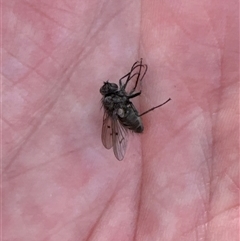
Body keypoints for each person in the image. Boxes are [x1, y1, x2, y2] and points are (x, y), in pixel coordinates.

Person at [3, 0, 239, 240]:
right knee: (130, 105)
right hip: (128, 116)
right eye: (110, 88)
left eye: (110, 86)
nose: (111, 86)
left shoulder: (115, 94)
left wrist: (136, 72)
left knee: (129, 98)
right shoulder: (114, 100)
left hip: (126, 111)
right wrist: (137, 81)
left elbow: (125, 87)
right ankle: (148, 109)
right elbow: (123, 99)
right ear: (109, 95)